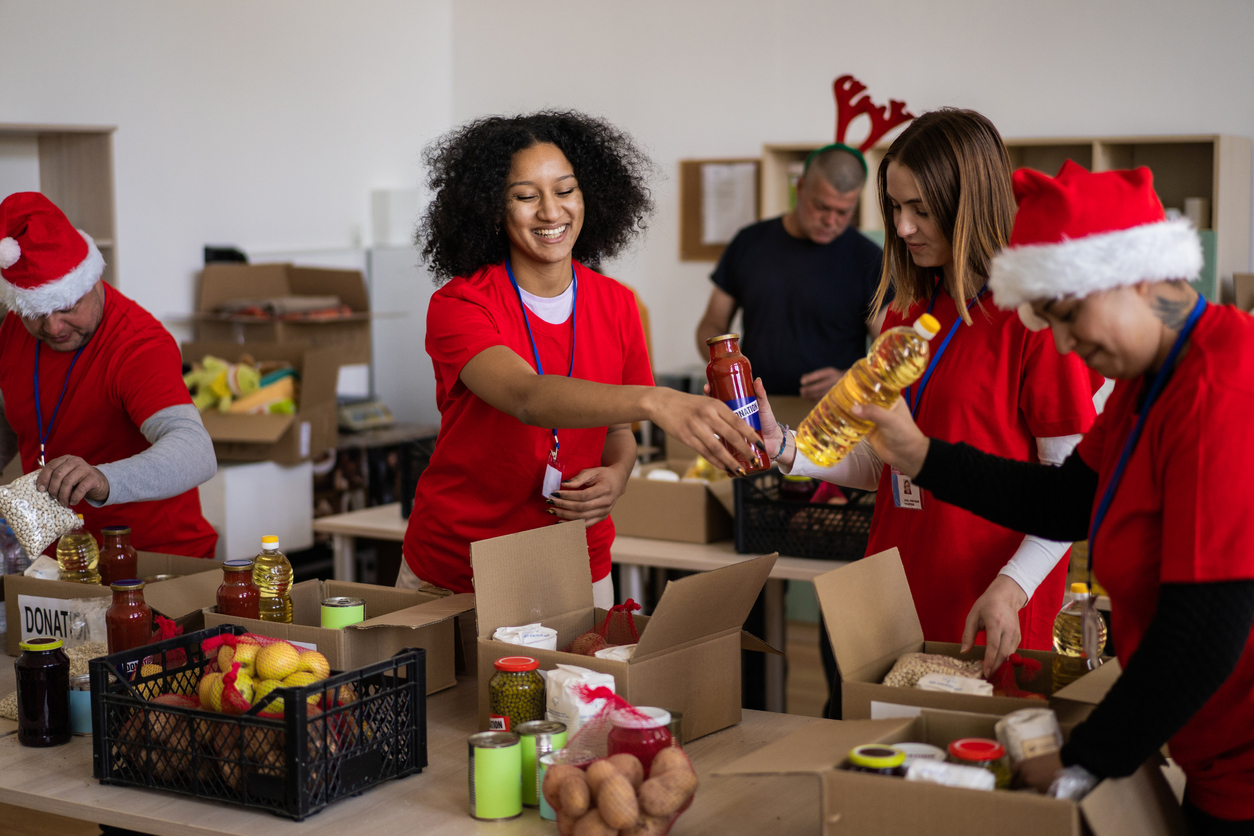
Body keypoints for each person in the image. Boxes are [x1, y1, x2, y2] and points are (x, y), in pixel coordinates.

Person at [854, 160, 1254, 833]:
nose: (1064, 343)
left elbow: (1206, 632)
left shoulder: (1220, 387)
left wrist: (1082, 759)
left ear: (1135, 276)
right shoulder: (1150, 381)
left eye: (1067, 316)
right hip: (1214, 750)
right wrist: (922, 456)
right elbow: (1067, 500)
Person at [761, 110, 1100, 680]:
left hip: (987, 603)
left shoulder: (1035, 320)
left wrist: (1012, 586)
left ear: (970, 203)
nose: (902, 227)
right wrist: (787, 448)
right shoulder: (910, 312)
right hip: (895, 592)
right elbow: (887, 461)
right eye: (895, 207)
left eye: (920, 209)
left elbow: (1068, 497)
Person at [400, 111, 763, 606]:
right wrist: (657, 400)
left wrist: (617, 475)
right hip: (460, 566)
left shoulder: (618, 303)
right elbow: (526, 397)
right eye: (526, 197)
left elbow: (618, 431)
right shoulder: (461, 304)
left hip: (576, 562)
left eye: (565, 190)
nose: (551, 212)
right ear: (493, 209)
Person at [0, 192, 218, 558]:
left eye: (67, 306)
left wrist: (103, 479)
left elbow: (196, 451)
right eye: (35, 312)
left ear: (91, 281)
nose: (53, 327)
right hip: (61, 559)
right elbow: (10, 411)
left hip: (153, 557)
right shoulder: (13, 330)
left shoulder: (138, 344)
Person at [695, 145, 887, 399]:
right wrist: (726, 368)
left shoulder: (869, 259)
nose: (830, 221)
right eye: (821, 206)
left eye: (843, 212)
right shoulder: (749, 242)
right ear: (800, 187)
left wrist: (852, 379)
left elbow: (889, 354)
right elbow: (712, 322)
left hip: (833, 411)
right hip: (754, 406)